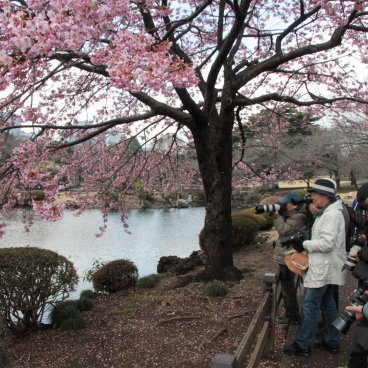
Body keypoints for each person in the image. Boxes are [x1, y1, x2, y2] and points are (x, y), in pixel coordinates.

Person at [283, 178, 347, 357]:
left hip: (324, 267)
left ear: (324, 196)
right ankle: (331, 340)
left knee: (311, 305)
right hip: (326, 266)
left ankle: (303, 344)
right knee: (328, 305)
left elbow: (327, 244)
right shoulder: (329, 211)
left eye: (314, 194)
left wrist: (304, 243)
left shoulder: (331, 214)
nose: (312, 197)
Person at [272, 192, 308, 325]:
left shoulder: (299, 216)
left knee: (288, 287)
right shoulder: (293, 215)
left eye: (285, 204)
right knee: (286, 286)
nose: (282, 206)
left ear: (294, 205)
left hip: (289, 256)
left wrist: (276, 217)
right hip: (286, 255)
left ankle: (292, 315)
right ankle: (291, 313)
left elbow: (283, 230)